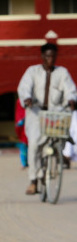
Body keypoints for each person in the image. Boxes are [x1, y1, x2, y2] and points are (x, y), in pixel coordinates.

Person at [17, 43, 77, 194]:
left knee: (60, 138)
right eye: (48, 56)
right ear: (43, 56)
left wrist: (71, 99)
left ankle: (58, 156)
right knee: (34, 145)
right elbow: (24, 87)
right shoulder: (32, 71)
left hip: (56, 114)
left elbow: (70, 89)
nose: (51, 59)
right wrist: (27, 98)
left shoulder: (62, 72)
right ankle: (33, 181)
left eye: (53, 56)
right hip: (37, 114)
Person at [14, 98, 28, 169]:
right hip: (23, 128)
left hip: (28, 126)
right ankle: (24, 163)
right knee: (24, 146)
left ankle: (26, 163)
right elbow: (18, 115)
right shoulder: (20, 101)